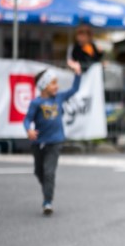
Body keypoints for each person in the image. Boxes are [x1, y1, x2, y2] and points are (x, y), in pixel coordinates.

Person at [23, 61, 83, 215]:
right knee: (39, 171)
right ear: (44, 86)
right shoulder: (36, 103)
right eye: (53, 83)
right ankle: (47, 188)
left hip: (55, 142)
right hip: (39, 142)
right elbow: (27, 119)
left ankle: (47, 201)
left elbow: (74, 89)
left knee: (49, 172)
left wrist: (77, 73)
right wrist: (29, 130)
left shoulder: (59, 98)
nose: (57, 86)